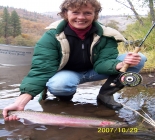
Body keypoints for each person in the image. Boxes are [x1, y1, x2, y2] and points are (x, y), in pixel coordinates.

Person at [3, 0, 146, 121]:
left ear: (95, 15)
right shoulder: (51, 36)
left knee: (139, 59)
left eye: (87, 13)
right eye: (75, 12)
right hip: (67, 74)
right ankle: (65, 100)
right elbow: (41, 70)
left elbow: (103, 63)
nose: (81, 17)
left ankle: (105, 94)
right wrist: (20, 103)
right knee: (60, 85)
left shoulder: (107, 36)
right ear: (66, 14)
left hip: (95, 70)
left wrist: (120, 64)